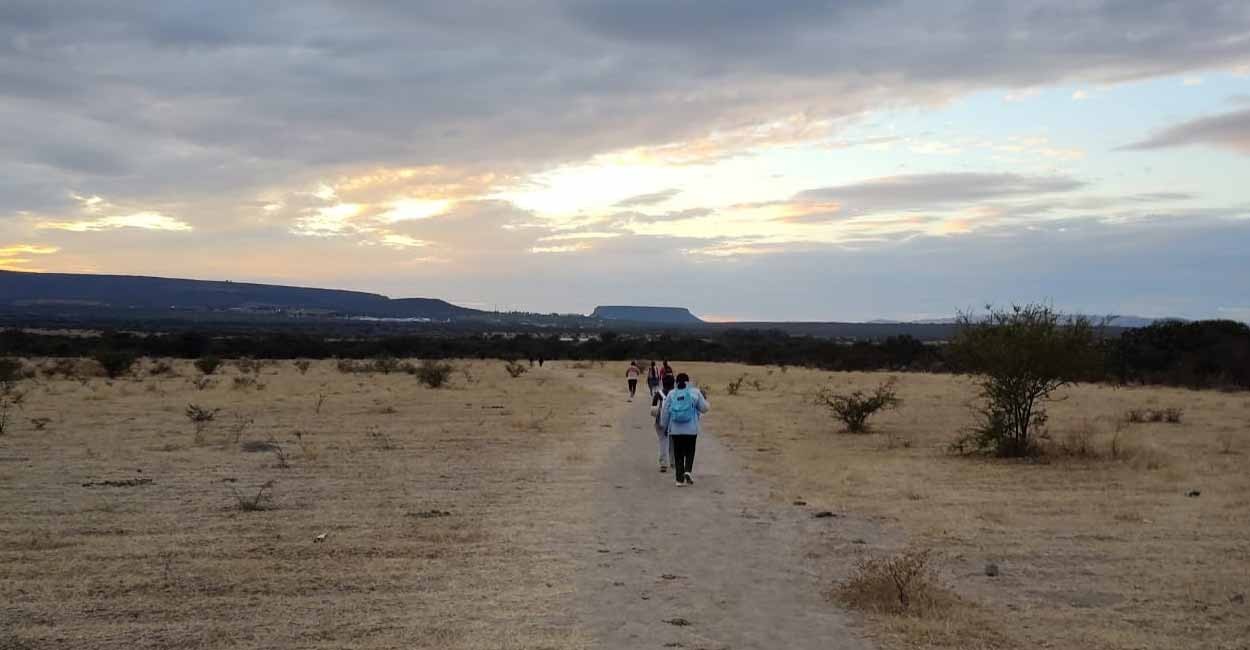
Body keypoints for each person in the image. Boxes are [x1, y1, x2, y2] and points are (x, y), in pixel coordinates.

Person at [659, 372, 709, 486]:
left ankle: (679, 479)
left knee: (678, 453)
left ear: (676, 382)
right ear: (688, 381)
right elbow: (704, 408)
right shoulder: (695, 392)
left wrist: (664, 425)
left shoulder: (672, 393)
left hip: (676, 430)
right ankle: (687, 471)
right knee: (690, 451)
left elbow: (665, 412)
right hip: (691, 430)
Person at [650, 373, 676, 472]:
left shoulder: (658, 394)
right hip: (673, 422)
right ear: (673, 383)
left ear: (663, 383)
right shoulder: (675, 393)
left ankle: (663, 464)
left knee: (662, 441)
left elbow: (653, 410)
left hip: (660, 422)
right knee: (673, 442)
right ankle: (673, 462)